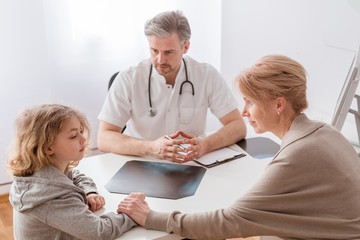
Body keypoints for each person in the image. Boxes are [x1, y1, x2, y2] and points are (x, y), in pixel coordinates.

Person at [117, 55, 360, 239]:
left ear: (279, 105)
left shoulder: (297, 153)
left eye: (250, 102)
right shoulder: (327, 132)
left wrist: (150, 217)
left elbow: (227, 221)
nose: (243, 112)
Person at [97, 10, 246, 163]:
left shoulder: (206, 75)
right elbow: (104, 138)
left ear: (185, 47)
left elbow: (237, 126)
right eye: (154, 51)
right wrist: (151, 148)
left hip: (190, 163)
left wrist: (205, 145)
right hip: (141, 161)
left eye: (169, 52)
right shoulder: (129, 78)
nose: (160, 60)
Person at [7, 104, 137, 240]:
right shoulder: (52, 198)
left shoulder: (42, 172)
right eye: (74, 136)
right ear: (48, 147)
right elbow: (100, 232)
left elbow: (76, 176)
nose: (83, 138)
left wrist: (89, 191)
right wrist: (131, 214)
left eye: (81, 131)